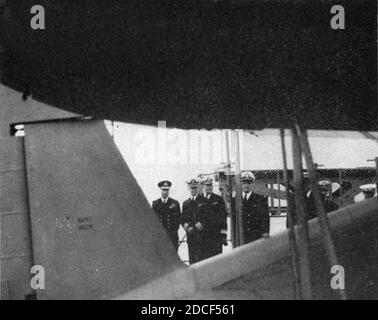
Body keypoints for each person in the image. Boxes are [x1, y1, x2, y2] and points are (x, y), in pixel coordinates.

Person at [238, 171, 270, 244]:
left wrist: (266, 231)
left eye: (249, 183)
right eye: (244, 183)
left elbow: (265, 216)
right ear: (241, 184)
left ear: (252, 184)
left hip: (256, 235)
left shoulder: (260, 199)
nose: (246, 185)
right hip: (241, 235)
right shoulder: (236, 200)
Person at [200, 177, 228, 259]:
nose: (209, 187)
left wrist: (223, 235)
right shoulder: (199, 199)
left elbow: (223, 218)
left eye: (210, 185)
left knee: (217, 259)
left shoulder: (218, 199)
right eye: (207, 185)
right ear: (202, 186)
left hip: (216, 236)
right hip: (203, 236)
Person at [181, 178, 207, 264]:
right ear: (189, 189)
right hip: (190, 235)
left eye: (195, 188)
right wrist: (187, 228)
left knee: (201, 259)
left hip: (201, 235)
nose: (193, 190)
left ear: (198, 188)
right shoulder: (186, 203)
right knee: (192, 259)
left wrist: (196, 228)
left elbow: (206, 217)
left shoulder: (204, 201)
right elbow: (183, 219)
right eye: (192, 188)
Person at [152, 180, 181, 250]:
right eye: (163, 190)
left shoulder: (175, 203)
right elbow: (153, 220)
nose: (165, 192)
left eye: (167, 190)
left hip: (172, 235)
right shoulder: (155, 203)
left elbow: (178, 219)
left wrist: (172, 231)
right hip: (160, 236)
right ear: (160, 190)